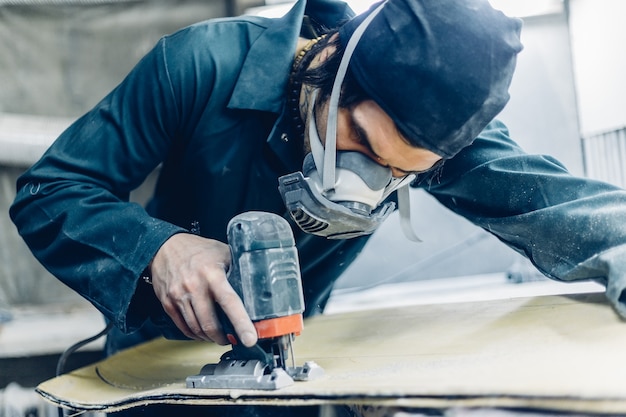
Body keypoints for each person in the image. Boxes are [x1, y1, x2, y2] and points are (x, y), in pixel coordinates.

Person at [9, 0, 626, 414]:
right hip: (153, 364)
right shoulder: (200, 65)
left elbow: (575, 212)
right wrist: (159, 251)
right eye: (358, 144)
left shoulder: (436, 134)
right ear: (329, 64)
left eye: (398, 174)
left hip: (290, 369)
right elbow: (52, 191)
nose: (361, 185)